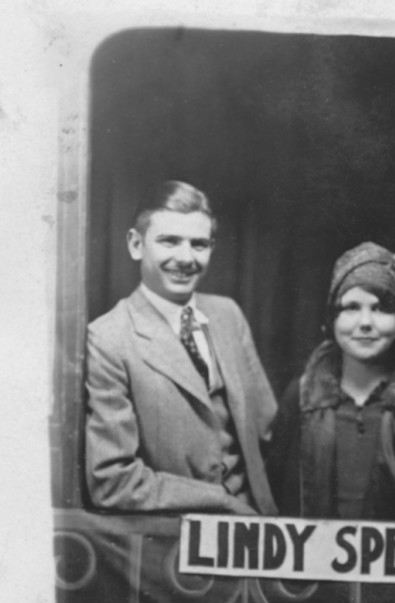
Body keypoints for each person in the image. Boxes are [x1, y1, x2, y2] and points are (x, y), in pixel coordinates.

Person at [85, 180, 277, 515]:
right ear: (135, 244)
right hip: (172, 539)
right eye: (170, 241)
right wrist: (219, 499)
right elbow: (112, 482)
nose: (185, 258)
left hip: (255, 523)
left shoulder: (227, 314)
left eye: (199, 244)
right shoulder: (109, 338)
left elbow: (266, 429)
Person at [267, 241, 395, 521]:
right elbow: (274, 490)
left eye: (380, 308)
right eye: (351, 307)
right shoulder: (300, 397)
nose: (365, 322)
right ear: (333, 318)